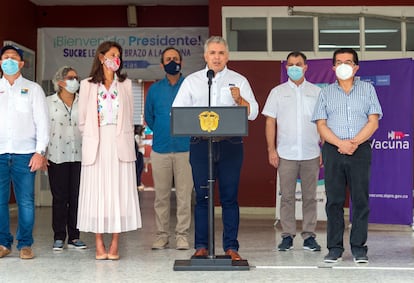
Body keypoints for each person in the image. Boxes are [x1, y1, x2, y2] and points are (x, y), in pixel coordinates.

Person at [172, 36, 259, 260]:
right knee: (202, 197)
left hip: (230, 145)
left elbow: (253, 112)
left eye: (221, 53)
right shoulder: (192, 81)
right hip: (201, 146)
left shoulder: (239, 80)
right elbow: (177, 111)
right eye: (212, 53)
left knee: (229, 197)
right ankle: (201, 246)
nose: (217, 57)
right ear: (205, 56)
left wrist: (240, 100)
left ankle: (231, 247)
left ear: (227, 56)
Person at [312, 48, 383, 264]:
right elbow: (321, 124)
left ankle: (359, 247)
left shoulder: (368, 89)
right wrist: (340, 143)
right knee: (334, 200)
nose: (344, 65)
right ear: (333, 67)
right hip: (333, 150)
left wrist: (353, 143)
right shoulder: (325, 93)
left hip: (360, 149)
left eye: (348, 62)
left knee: (360, 200)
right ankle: (334, 248)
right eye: (339, 62)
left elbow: (373, 121)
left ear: (356, 67)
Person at [77, 41, 142, 260]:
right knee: (98, 192)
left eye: (119, 55)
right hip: (96, 143)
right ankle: (98, 243)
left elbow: (131, 117)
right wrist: (94, 131)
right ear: (101, 57)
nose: (117, 59)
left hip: (119, 144)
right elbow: (82, 120)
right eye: (113, 54)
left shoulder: (125, 84)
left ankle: (114, 243)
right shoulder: (87, 84)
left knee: (118, 192)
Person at [262, 51, 322, 252]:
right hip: (285, 153)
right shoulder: (277, 92)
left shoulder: (317, 92)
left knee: (310, 197)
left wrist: (323, 148)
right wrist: (272, 149)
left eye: (298, 64)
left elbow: (323, 123)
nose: (294, 67)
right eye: (291, 64)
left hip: (311, 152)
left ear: (306, 67)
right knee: (286, 197)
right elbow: (270, 121)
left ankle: (309, 236)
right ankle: (287, 235)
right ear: (286, 67)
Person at [0, 45, 49, 259]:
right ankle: (3, 243)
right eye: (5, 57)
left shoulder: (33, 89)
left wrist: (40, 152)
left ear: (21, 63)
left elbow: (43, 122)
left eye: (13, 58)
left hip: (26, 154)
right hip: (0, 153)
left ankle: (25, 244)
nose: (9, 60)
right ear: (0, 63)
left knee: (26, 202)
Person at [144, 47, 194, 250]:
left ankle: (182, 236)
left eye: (175, 58)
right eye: (168, 59)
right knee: (161, 196)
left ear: (181, 62)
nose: (172, 61)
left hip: (186, 148)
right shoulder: (155, 89)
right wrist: (165, 131)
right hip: (161, 149)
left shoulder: (190, 85)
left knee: (184, 196)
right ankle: (161, 235)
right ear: (162, 64)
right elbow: (149, 117)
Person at [47, 66, 87, 251]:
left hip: (80, 155)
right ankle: (58, 236)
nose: (75, 81)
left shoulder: (84, 102)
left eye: (76, 77)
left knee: (77, 197)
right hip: (56, 155)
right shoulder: (48, 102)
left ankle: (74, 236)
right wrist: (41, 152)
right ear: (61, 82)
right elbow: (43, 128)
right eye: (71, 77)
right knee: (60, 197)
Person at [134, 124, 146, 191]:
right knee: (139, 169)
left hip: (140, 153)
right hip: (139, 154)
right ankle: (137, 183)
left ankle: (138, 182)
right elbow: (138, 146)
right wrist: (143, 145)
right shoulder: (136, 137)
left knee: (140, 169)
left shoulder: (139, 137)